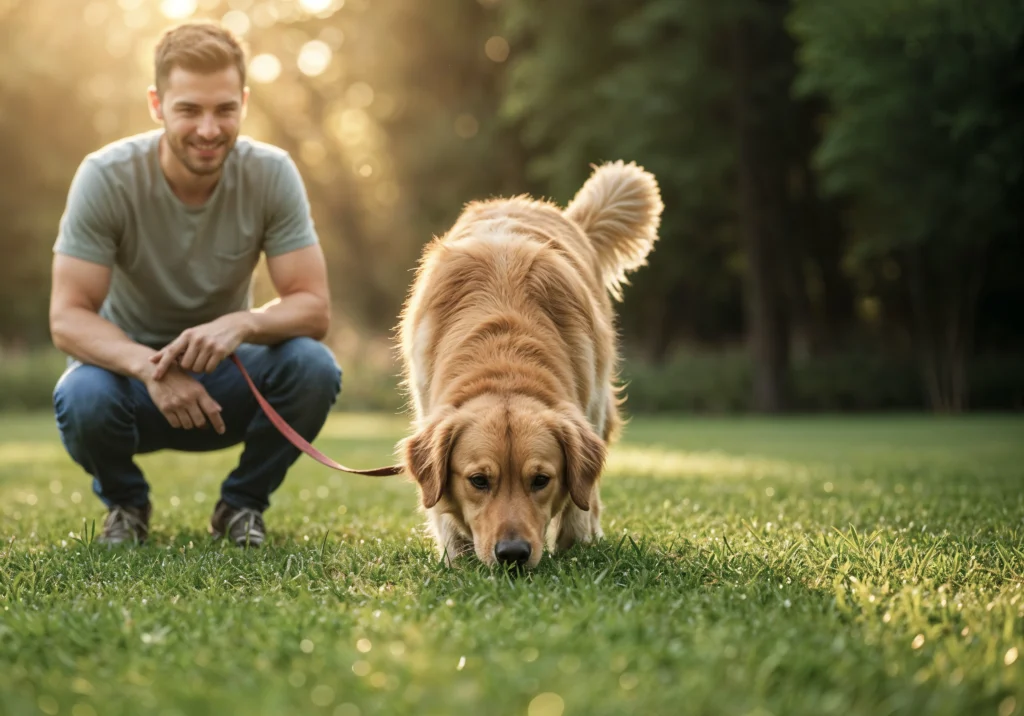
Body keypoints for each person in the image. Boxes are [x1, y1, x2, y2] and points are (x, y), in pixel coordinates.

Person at [48, 20, 342, 549]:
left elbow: (313, 308)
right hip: (129, 384)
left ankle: (242, 504)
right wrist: (150, 368)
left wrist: (243, 322)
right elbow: (67, 317)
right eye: (189, 110)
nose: (209, 129)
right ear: (157, 104)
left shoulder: (272, 173)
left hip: (225, 382)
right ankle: (127, 504)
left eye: (224, 109)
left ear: (244, 103)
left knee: (313, 365)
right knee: (80, 394)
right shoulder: (105, 176)